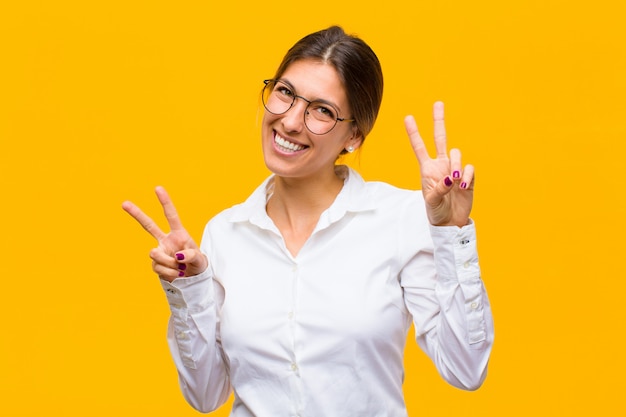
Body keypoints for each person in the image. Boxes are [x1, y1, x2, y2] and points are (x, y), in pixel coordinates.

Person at [122, 25, 494, 416]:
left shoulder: (400, 219)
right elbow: (206, 396)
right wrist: (189, 290)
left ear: (354, 136)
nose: (291, 121)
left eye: (322, 110)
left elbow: (465, 369)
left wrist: (452, 235)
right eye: (285, 92)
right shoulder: (225, 233)